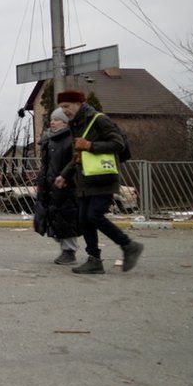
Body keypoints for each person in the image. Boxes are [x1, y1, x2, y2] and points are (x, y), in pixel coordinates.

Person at [54, 89, 144, 274]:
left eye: (67, 106)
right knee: (84, 220)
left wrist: (91, 145)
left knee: (94, 216)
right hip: (84, 179)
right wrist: (64, 175)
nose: (64, 111)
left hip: (102, 177)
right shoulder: (76, 124)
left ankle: (129, 245)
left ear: (78, 103)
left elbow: (118, 144)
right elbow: (78, 155)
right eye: (62, 107)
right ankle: (94, 260)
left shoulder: (98, 119)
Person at [36, 107, 81, 265]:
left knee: (66, 216)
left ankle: (69, 251)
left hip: (65, 185)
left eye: (57, 120)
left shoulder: (70, 139)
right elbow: (46, 164)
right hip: (51, 185)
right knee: (55, 217)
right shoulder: (49, 139)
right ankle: (65, 247)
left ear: (65, 123)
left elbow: (75, 162)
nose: (52, 122)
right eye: (52, 119)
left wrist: (65, 177)